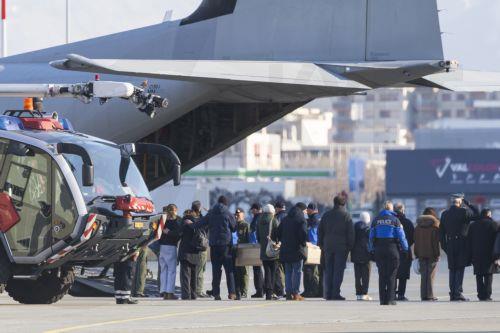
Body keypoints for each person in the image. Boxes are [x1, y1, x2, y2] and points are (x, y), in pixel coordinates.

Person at [196, 196, 237, 300]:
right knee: (229, 270)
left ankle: (216, 294)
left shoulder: (211, 213)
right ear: (225, 203)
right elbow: (234, 227)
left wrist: (190, 224)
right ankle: (232, 293)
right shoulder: (228, 213)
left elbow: (201, 223)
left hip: (214, 245)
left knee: (216, 270)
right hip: (226, 245)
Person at [440, 194, 479, 301]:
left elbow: (441, 233)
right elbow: (477, 214)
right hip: (461, 244)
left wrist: (445, 246)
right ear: (460, 203)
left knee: (452, 268)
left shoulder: (444, 214)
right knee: (459, 268)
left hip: (450, 244)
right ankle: (457, 293)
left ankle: (452, 293)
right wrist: (468, 202)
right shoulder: (464, 212)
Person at [369, 201, 408, 306]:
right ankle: (391, 299)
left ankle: (382, 300)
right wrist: (405, 248)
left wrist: (371, 249)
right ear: (391, 209)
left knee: (382, 275)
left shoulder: (376, 220)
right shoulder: (395, 220)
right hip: (392, 248)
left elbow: (371, 237)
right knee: (392, 274)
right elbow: (401, 236)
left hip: (379, 249)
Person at [318, 196, 354, 301]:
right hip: (341, 247)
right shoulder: (346, 216)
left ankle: (328, 294)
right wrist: (350, 246)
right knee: (338, 271)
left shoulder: (326, 215)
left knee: (328, 270)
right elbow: (350, 232)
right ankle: (335, 293)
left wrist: (320, 244)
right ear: (344, 204)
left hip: (327, 246)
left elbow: (320, 230)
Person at [277, 202, 308, 301]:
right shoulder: (301, 219)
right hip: (297, 250)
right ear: (302, 210)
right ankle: (296, 293)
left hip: (285, 250)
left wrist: (282, 241)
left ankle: (289, 293)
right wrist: (303, 244)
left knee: (289, 272)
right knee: (297, 271)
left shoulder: (285, 219)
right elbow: (303, 234)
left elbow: (277, 232)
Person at [468, 208, 498, 301]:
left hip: (476, 253)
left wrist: (470, 255)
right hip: (489, 253)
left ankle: (480, 295)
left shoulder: (473, 225)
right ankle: (487, 295)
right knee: (488, 275)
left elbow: (469, 241)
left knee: (479, 275)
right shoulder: (494, 224)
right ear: (489, 215)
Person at [414, 207, 441, 301]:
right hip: (432, 254)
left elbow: (416, 242)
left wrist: (416, 253)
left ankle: (423, 295)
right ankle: (429, 295)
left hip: (420, 253)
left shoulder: (417, 227)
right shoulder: (435, 227)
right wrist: (437, 254)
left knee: (423, 275)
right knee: (430, 275)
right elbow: (435, 243)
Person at [256, 204, 280, 300]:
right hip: (273, 250)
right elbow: (278, 234)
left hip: (263, 251)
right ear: (272, 212)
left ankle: (267, 293)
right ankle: (271, 292)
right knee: (273, 272)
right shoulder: (274, 220)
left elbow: (257, 237)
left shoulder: (259, 221)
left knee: (267, 272)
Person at [159, 204, 182, 300]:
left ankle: (163, 292)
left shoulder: (163, 221)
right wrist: (170, 233)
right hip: (171, 247)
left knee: (163, 270)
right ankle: (169, 293)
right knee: (171, 271)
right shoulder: (176, 222)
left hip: (162, 247)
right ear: (175, 210)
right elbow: (178, 234)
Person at [178, 210, 202, 300]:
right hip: (195, 251)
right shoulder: (198, 223)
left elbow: (178, 234)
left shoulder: (184, 222)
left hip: (185, 252)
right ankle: (193, 294)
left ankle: (186, 295)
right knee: (194, 275)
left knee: (185, 276)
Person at [394, 203, 415, 301]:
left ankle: (392, 293)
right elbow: (412, 238)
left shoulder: (392, 221)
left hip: (394, 250)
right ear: (403, 210)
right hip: (405, 252)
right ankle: (401, 295)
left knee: (393, 274)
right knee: (403, 275)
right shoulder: (408, 222)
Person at [351, 211, 372, 301]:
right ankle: (364, 293)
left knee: (357, 275)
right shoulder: (368, 229)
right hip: (366, 255)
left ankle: (358, 293)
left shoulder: (354, 228)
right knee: (366, 275)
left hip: (355, 254)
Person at [191, 201, 210, 298]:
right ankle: (199, 290)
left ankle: (196, 289)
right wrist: (208, 211)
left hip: (194, 247)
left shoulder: (190, 219)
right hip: (202, 247)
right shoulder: (203, 219)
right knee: (200, 270)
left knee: (197, 270)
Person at [302, 203, 321, 298]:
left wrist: (310, 246)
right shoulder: (316, 218)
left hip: (311, 248)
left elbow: (312, 235)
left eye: (308, 210)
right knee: (313, 270)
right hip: (316, 248)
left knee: (309, 270)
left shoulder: (313, 220)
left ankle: (310, 291)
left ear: (311, 210)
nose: (307, 212)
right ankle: (313, 290)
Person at [234, 208, 250, 299]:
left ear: (243, 215)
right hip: (235, 251)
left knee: (244, 272)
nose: (236, 216)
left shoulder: (246, 225)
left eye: (238, 215)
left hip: (244, 251)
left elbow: (249, 238)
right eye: (235, 215)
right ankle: (238, 291)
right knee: (237, 272)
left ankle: (244, 291)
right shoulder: (234, 225)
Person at [249, 203, 265, 298]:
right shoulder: (261, 217)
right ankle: (261, 290)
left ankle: (259, 290)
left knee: (257, 270)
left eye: (253, 209)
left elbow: (254, 232)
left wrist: (253, 244)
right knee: (260, 269)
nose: (251, 211)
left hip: (256, 246)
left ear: (256, 209)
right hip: (261, 246)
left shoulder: (257, 218)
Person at [273, 201, 287, 298]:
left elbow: (276, 231)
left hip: (279, 246)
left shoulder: (277, 218)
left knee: (278, 269)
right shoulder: (287, 216)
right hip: (287, 245)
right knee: (287, 269)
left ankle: (280, 290)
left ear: (277, 208)